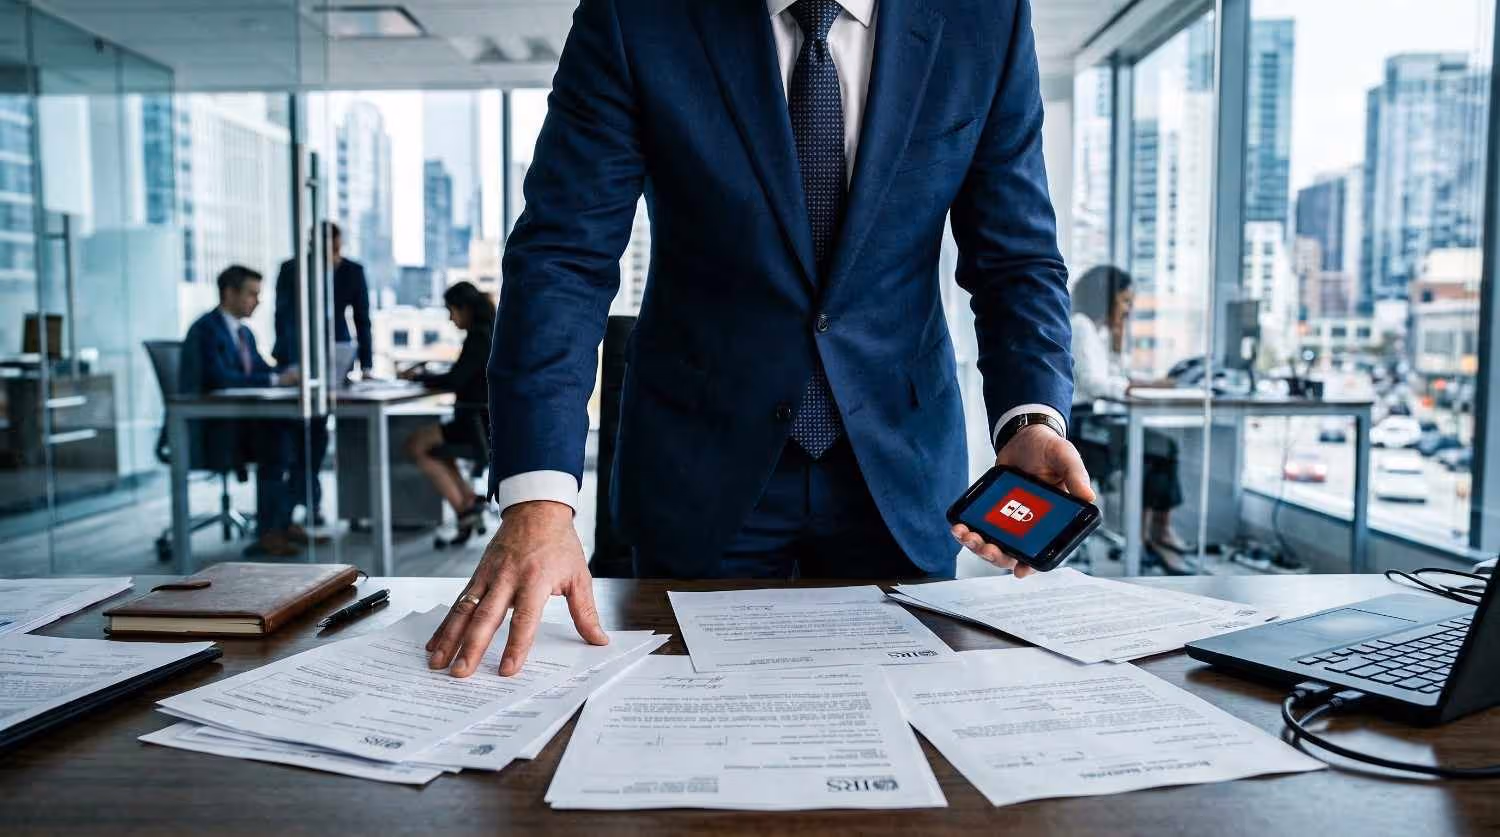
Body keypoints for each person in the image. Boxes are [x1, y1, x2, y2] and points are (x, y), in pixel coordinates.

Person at [427, 0, 1093, 679]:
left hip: (899, 469)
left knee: (912, 733)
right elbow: (563, 259)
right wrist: (538, 495)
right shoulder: (635, 17)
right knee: (685, 743)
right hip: (699, 469)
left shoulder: (983, 20)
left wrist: (1031, 416)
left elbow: (1016, 258)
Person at [1068, 265, 1194, 574]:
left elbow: (1115, 374)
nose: (1128, 309)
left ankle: (1149, 536)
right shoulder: (1080, 326)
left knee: (1160, 449)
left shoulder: (1095, 331)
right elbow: (1094, 383)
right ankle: (1152, 536)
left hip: (1098, 423)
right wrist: (1137, 386)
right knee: (1160, 448)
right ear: (1105, 297)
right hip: (1084, 429)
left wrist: (1118, 340)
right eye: (1124, 301)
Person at [180, 265, 305, 557]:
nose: (257, 302)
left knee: (301, 432)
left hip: (242, 424)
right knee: (278, 440)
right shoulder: (205, 331)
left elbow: (261, 370)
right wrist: (275, 379)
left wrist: (287, 374)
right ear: (229, 293)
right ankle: (269, 530)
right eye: (252, 294)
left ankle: (281, 522)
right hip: (214, 430)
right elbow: (219, 378)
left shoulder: (245, 333)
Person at [271, 221, 372, 525]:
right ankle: (294, 503)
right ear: (314, 246)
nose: (337, 254)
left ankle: (305, 502)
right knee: (292, 433)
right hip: (296, 356)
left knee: (317, 431)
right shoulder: (293, 269)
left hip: (335, 354)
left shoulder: (352, 271)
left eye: (340, 248)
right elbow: (282, 316)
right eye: (332, 248)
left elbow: (362, 319)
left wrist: (366, 365)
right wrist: (288, 362)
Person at [400, 282, 494, 542]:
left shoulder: (479, 336)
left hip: (476, 422)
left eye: (451, 311)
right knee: (437, 450)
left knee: (415, 445)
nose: (451, 319)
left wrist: (419, 377)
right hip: (485, 421)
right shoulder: (491, 331)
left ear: (464, 308)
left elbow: (455, 380)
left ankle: (463, 509)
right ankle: (468, 500)